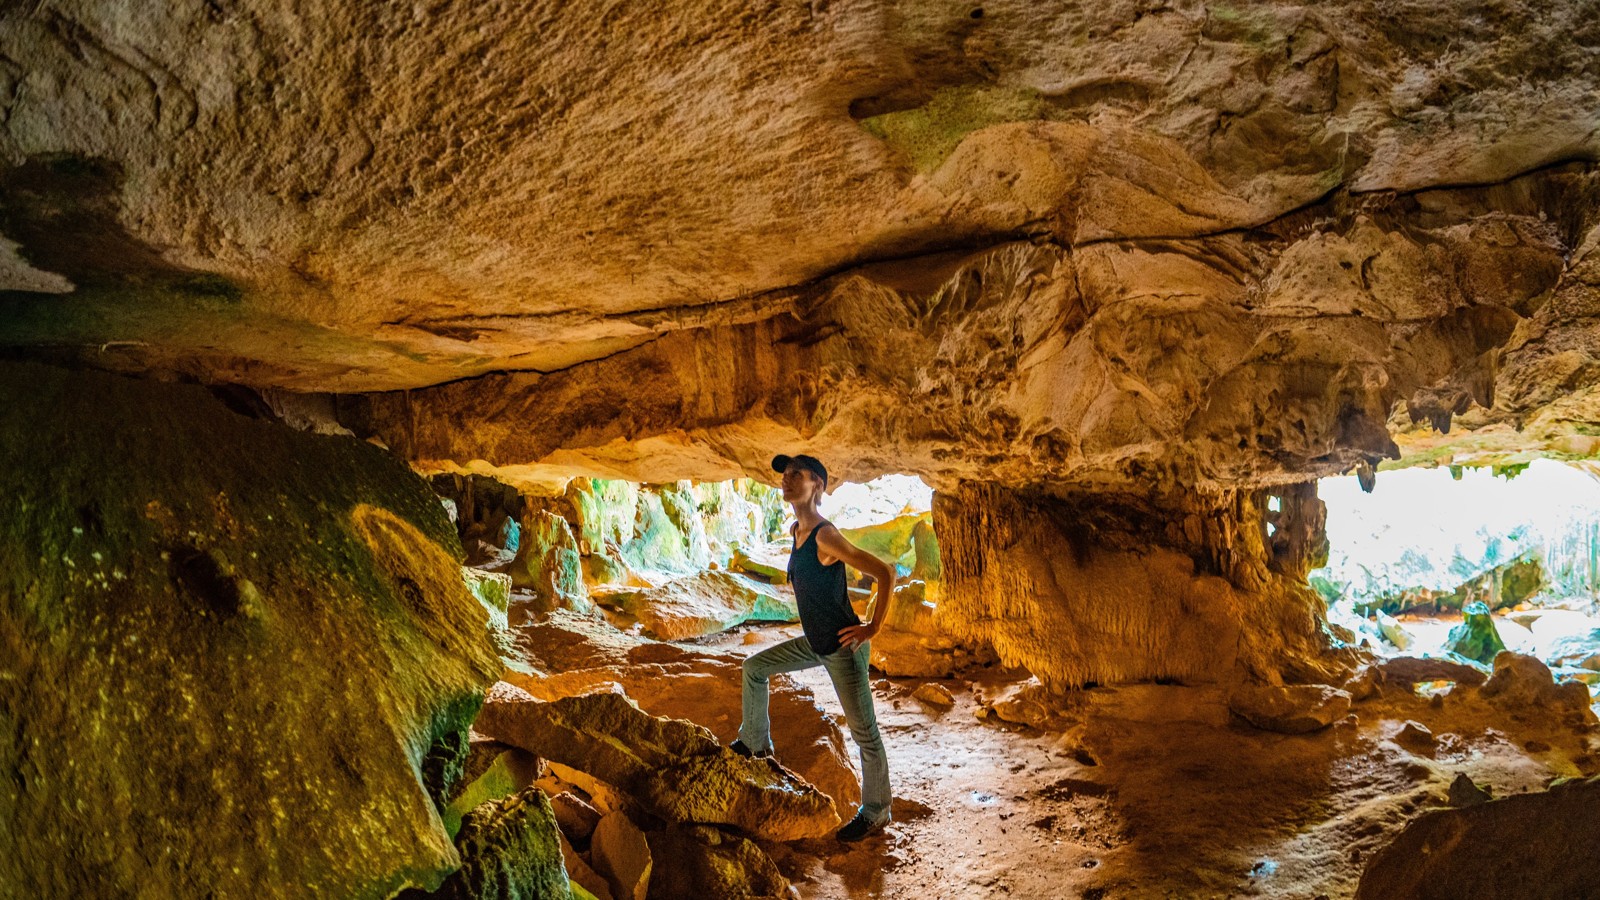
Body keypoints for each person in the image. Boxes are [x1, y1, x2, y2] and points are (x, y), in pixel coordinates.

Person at [732, 453, 894, 842]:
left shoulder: (825, 535)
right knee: (754, 669)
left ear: (817, 486)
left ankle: (877, 811)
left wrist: (871, 628)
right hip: (815, 643)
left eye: (797, 475)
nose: (787, 480)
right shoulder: (795, 530)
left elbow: (885, 573)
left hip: (842, 648)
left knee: (865, 733)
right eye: (785, 475)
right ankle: (756, 744)